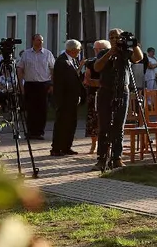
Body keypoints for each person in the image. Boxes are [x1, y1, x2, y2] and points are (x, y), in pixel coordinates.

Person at [92, 29, 144, 171]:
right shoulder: (104, 53)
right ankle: (101, 158)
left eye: (117, 37)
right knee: (104, 126)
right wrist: (110, 53)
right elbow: (97, 67)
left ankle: (117, 157)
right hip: (105, 91)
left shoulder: (126, 53)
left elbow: (138, 58)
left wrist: (133, 43)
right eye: (111, 37)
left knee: (119, 126)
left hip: (122, 91)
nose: (114, 39)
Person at [17, 34, 55, 139]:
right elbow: (20, 68)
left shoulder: (47, 54)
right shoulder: (26, 54)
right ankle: (30, 132)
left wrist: (52, 84)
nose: (40, 42)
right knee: (30, 109)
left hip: (44, 84)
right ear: (33, 40)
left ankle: (39, 132)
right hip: (30, 84)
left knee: (42, 109)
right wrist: (20, 84)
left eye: (42, 40)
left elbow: (52, 69)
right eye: (38, 40)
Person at [50, 39, 84, 156]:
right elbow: (59, 83)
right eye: (79, 50)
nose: (79, 52)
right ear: (73, 50)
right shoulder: (61, 61)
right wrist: (59, 100)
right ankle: (56, 147)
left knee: (71, 123)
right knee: (62, 123)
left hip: (72, 98)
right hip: (64, 99)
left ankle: (66, 146)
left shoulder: (72, 61)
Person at [83, 39, 109, 154]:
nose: (97, 51)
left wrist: (99, 82)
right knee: (93, 119)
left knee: (107, 118)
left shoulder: (111, 62)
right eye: (96, 49)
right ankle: (94, 143)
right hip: (93, 94)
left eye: (100, 49)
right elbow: (87, 80)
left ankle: (107, 144)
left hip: (108, 94)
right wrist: (100, 83)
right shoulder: (90, 62)